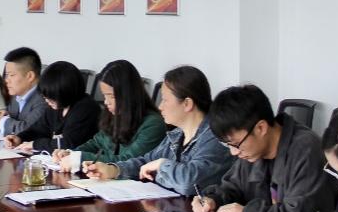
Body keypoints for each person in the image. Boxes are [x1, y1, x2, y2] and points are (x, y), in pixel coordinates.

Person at [192, 84, 338, 212]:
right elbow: (232, 188)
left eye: (235, 144)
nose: (233, 152)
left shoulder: (306, 150)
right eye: (227, 145)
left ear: (261, 128)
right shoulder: (252, 150)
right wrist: (212, 200)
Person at [83, 65, 231, 196]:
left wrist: (161, 166)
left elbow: (188, 183)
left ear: (187, 103)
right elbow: (146, 161)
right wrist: (114, 170)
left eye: (165, 100)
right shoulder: (177, 135)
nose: (160, 107)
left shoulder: (216, 137)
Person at [54, 60, 165, 168]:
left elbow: (128, 161)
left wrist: (80, 157)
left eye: (112, 96)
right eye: (104, 96)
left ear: (128, 95)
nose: (106, 102)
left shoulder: (153, 124)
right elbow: (96, 143)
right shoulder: (114, 114)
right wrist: (71, 153)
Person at [2, 61, 100, 154]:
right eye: (45, 97)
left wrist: (35, 144)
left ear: (65, 92)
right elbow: (38, 129)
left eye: (51, 97)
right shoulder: (57, 107)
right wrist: (20, 138)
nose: (47, 101)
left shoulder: (86, 108)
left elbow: (69, 143)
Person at [0, 47, 47, 136]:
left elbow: (27, 130)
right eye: (6, 75)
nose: (6, 80)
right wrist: (1, 116)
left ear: (30, 76)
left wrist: (3, 121)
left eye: (11, 75)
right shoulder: (16, 96)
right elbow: (10, 119)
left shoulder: (44, 99)